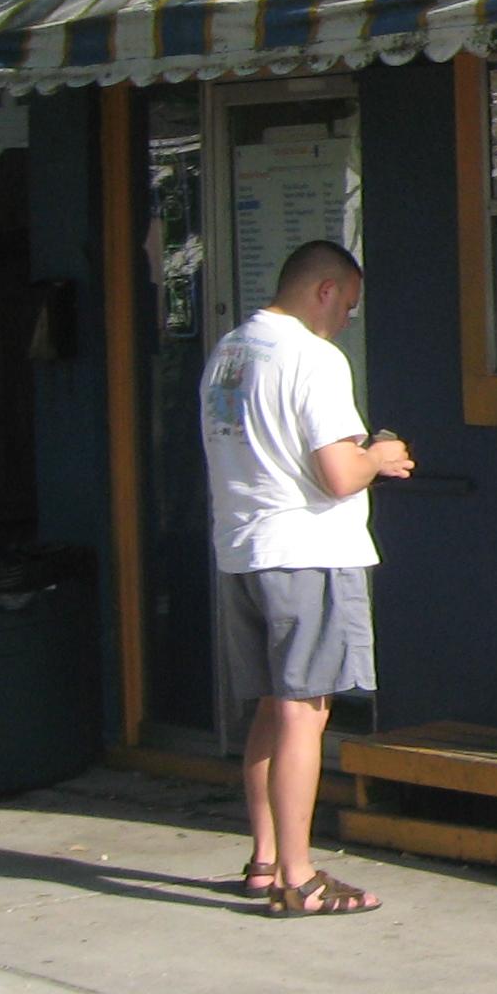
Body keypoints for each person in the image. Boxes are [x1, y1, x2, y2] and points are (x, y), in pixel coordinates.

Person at [200, 238, 411, 917]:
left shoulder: (230, 352)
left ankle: (264, 860)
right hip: (306, 551)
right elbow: (337, 472)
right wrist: (380, 456)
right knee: (303, 713)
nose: (346, 318)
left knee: (269, 706)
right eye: (346, 304)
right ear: (323, 289)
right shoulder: (314, 359)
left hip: (241, 549)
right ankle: (300, 875)